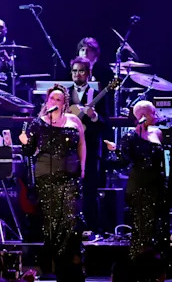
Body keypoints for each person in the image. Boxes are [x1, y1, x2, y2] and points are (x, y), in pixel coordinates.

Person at [18, 84, 86, 280]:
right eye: (51, 99)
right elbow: (29, 152)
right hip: (47, 176)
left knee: (71, 219)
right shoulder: (38, 123)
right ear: (46, 102)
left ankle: (67, 263)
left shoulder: (73, 121)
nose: (54, 102)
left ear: (64, 103)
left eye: (58, 99)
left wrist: (82, 167)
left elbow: (81, 144)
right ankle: (55, 265)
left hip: (70, 175)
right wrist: (24, 142)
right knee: (52, 222)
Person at [104, 100, 169, 264]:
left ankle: (157, 264)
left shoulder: (158, 133)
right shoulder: (130, 136)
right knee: (142, 226)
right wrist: (115, 151)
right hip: (140, 184)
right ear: (143, 116)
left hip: (157, 183)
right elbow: (124, 162)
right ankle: (139, 264)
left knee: (159, 225)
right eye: (153, 113)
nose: (156, 116)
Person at [67, 57, 107, 232]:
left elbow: (107, 123)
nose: (77, 74)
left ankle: (92, 229)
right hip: (69, 150)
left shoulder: (97, 94)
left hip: (91, 149)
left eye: (81, 71)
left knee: (90, 190)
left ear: (89, 73)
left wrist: (94, 116)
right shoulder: (65, 94)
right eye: (74, 71)